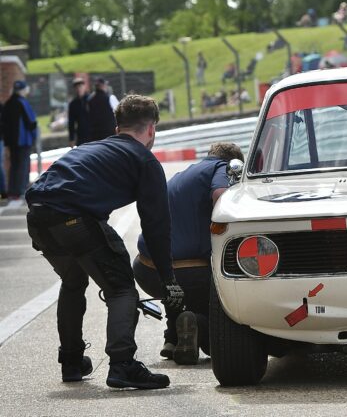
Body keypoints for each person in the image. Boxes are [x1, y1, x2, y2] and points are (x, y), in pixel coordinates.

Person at [25, 95, 184, 389]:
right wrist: (168, 278)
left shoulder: (92, 148)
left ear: (117, 127)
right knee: (122, 287)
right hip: (73, 218)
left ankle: (72, 361)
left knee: (73, 282)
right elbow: (157, 225)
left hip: (38, 218)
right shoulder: (144, 160)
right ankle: (122, 364)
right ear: (151, 130)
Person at [133, 142, 243, 365]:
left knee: (175, 286)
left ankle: (172, 339)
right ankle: (198, 326)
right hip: (188, 273)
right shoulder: (221, 168)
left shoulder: (183, 175)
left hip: (145, 268)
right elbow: (221, 193)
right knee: (221, 327)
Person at [1, 80, 38, 199]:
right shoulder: (23, 102)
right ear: (23, 90)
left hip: (11, 142)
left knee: (14, 166)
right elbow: (31, 123)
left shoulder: (7, 104)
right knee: (22, 166)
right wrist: (34, 136)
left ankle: (12, 191)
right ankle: (21, 190)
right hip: (23, 140)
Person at [87, 77, 116, 142]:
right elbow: (118, 113)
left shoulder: (90, 100)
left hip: (95, 134)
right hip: (110, 134)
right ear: (103, 85)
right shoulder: (110, 97)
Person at [67, 78, 90, 147]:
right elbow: (71, 122)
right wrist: (71, 139)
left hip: (93, 134)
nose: (78, 89)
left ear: (84, 87)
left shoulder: (91, 99)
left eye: (80, 86)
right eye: (76, 87)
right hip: (81, 135)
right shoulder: (73, 104)